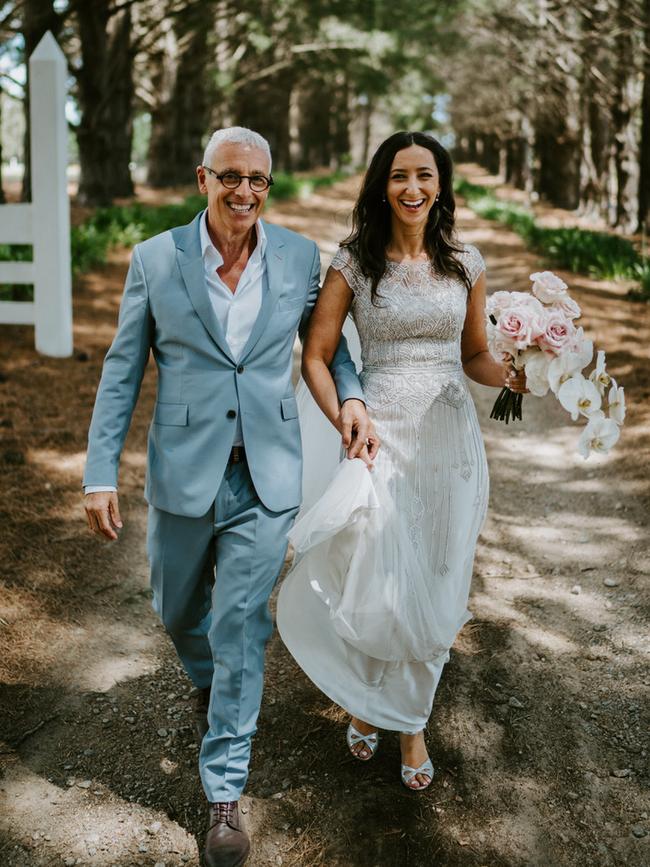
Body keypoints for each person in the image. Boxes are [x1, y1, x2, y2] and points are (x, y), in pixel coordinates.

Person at [82, 126, 374, 867]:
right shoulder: (155, 259)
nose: (245, 192)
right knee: (177, 609)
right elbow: (122, 370)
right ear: (203, 176)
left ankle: (223, 792)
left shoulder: (300, 257)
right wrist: (98, 471)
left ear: (268, 186)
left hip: (268, 471)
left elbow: (327, 344)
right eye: (232, 177)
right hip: (184, 468)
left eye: (259, 180)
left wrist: (352, 398)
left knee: (241, 621)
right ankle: (218, 686)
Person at [276, 130, 527, 792]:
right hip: (378, 436)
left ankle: (410, 719)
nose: (411, 188)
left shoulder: (466, 264)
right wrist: (344, 421)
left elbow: (474, 352)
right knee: (376, 570)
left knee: (438, 576)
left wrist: (510, 373)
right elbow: (317, 353)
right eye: (397, 176)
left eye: (424, 174)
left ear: (441, 184)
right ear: (380, 186)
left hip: (448, 440)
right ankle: (365, 697)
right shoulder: (355, 263)